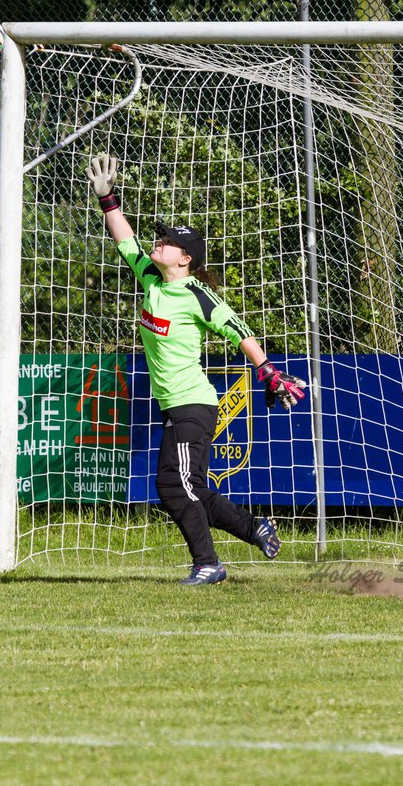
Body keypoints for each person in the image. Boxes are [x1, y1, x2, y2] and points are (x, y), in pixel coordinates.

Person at [86, 154, 307, 586]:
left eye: (166, 241)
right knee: (193, 489)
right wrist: (106, 197)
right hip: (177, 407)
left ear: (185, 258)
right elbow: (125, 238)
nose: (158, 243)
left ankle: (208, 565)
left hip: (194, 404)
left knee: (173, 486)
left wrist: (267, 370)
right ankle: (253, 528)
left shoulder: (196, 294)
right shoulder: (152, 278)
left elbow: (238, 330)